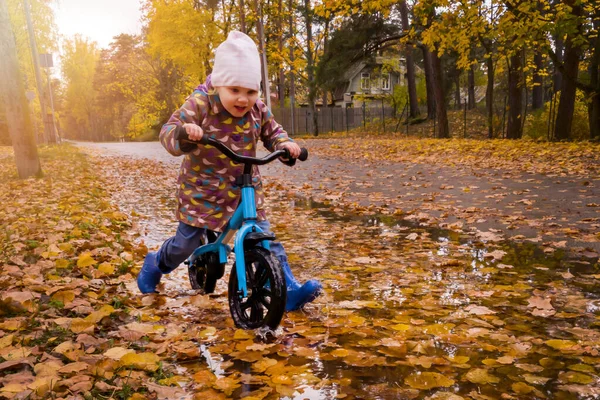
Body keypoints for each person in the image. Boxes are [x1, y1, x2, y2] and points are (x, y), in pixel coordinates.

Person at [136, 31, 322, 311]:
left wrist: (285, 145)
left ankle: (287, 290)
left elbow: (274, 132)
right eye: (234, 90)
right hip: (202, 189)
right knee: (185, 245)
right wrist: (185, 133)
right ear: (220, 84)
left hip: (243, 188)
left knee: (264, 236)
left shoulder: (258, 109)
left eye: (250, 91)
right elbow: (168, 132)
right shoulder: (201, 103)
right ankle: (156, 263)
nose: (243, 99)